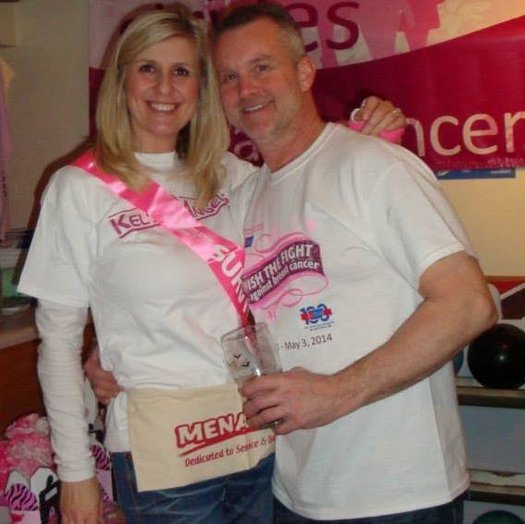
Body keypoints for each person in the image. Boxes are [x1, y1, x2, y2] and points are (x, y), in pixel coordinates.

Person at [17, 3, 404, 524]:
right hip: (166, 460)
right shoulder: (79, 189)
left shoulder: (234, 175)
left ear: (201, 87)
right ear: (121, 79)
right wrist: (76, 475)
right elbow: (57, 344)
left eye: (182, 71)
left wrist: (367, 132)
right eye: (147, 68)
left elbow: (314, 198)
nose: (165, 87)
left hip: (257, 436)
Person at [209, 2, 497, 523]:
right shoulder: (251, 194)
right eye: (229, 77)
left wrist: (339, 392)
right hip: (297, 492)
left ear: (302, 72)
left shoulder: (373, 165)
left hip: (397, 497)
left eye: (261, 67)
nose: (245, 89)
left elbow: (469, 304)